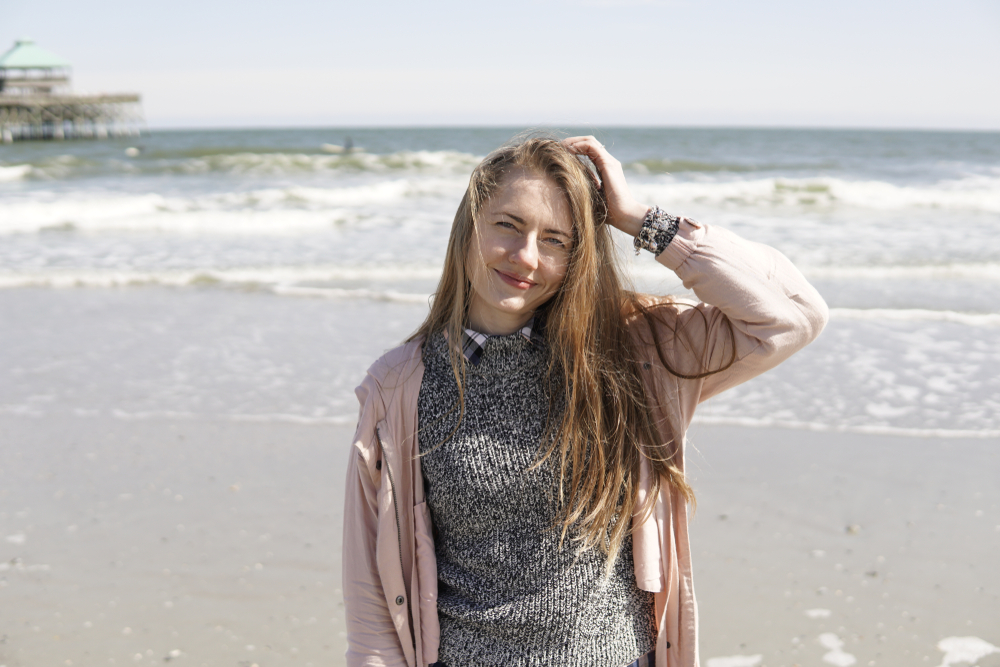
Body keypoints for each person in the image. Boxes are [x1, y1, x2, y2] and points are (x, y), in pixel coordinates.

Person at [342, 135, 828, 667]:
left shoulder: (635, 351)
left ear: (578, 257)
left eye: (555, 240)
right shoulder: (399, 384)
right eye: (508, 224)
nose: (526, 256)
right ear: (469, 225)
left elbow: (794, 314)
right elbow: (370, 593)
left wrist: (644, 221)